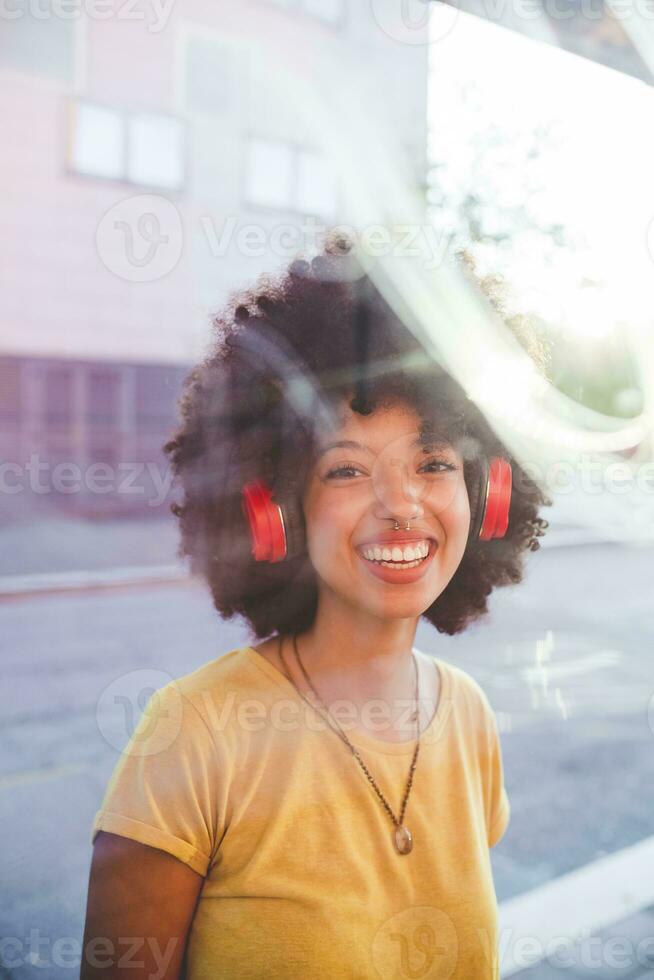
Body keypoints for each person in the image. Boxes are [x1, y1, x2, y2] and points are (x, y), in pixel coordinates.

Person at [80, 234, 550, 979]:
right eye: (346, 469)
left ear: (488, 494)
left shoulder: (467, 715)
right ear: (274, 508)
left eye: (434, 464)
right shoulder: (194, 731)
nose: (402, 506)